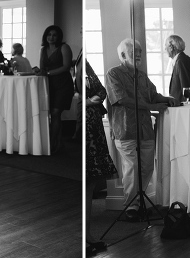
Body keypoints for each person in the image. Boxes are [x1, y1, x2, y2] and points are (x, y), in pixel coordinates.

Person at [106, 38, 178, 221]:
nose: (138, 56)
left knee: (146, 168)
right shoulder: (113, 74)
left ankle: (139, 202)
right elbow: (122, 99)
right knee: (133, 167)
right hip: (125, 129)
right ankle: (131, 207)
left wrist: (166, 99)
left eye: (139, 53)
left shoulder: (142, 75)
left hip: (145, 129)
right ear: (123, 56)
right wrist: (151, 107)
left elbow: (153, 95)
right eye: (133, 53)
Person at [85, 60, 116, 256]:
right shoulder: (81, 65)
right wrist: (88, 101)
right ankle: (86, 237)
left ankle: (87, 236)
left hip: (94, 125)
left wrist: (90, 100)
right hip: (86, 127)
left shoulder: (86, 65)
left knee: (90, 182)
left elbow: (102, 92)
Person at [38, 25, 74, 154]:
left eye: (54, 35)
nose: (51, 37)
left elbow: (66, 66)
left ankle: (52, 144)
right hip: (49, 85)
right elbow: (42, 68)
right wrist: (38, 71)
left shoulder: (64, 47)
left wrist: (48, 73)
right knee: (53, 115)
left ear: (58, 37)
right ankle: (58, 143)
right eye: (49, 34)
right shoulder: (43, 50)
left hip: (63, 84)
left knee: (55, 112)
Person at [166, 35, 190, 102]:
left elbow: (186, 87)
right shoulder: (183, 59)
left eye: (166, 46)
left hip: (184, 107)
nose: (165, 49)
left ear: (171, 47)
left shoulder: (181, 61)